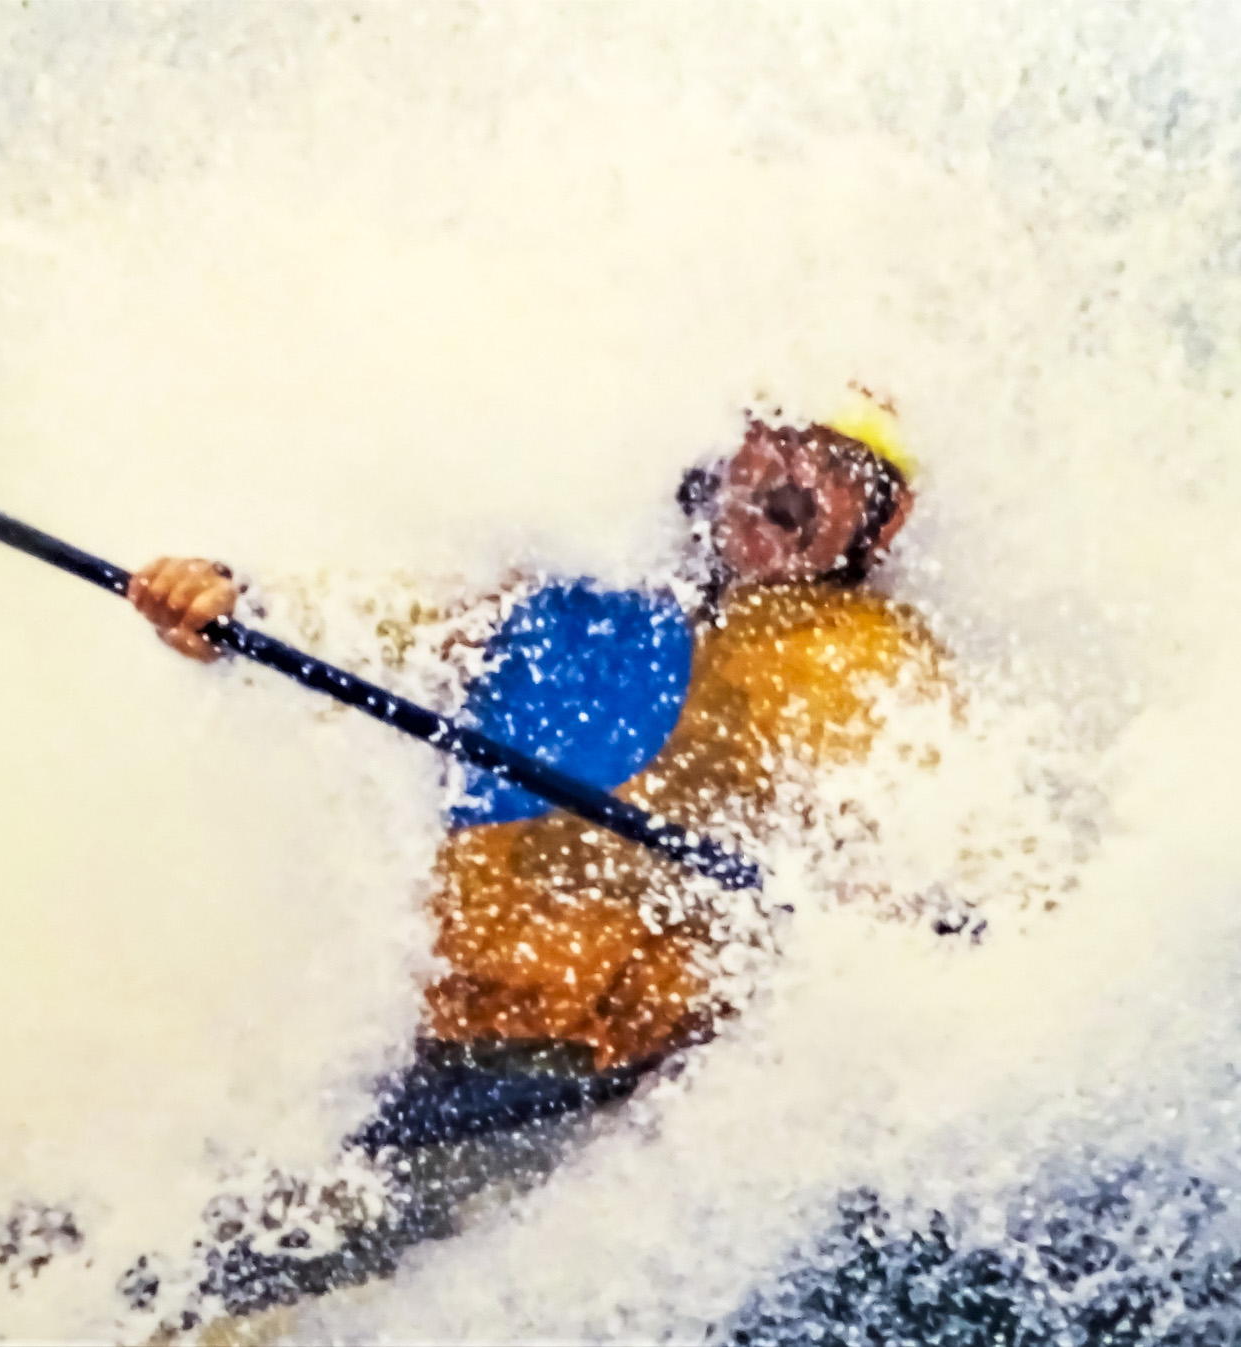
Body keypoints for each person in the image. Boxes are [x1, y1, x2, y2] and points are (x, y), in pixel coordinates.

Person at [121, 394, 947, 1325]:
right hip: (432, 1055)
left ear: (886, 517)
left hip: (586, 1092)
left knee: (179, 1283)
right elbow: (375, 630)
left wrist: (901, 912)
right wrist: (236, 604)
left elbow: (911, 837)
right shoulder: (582, 596)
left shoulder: (864, 659)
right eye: (780, 436)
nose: (795, 473)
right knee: (156, 1261)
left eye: (839, 463)